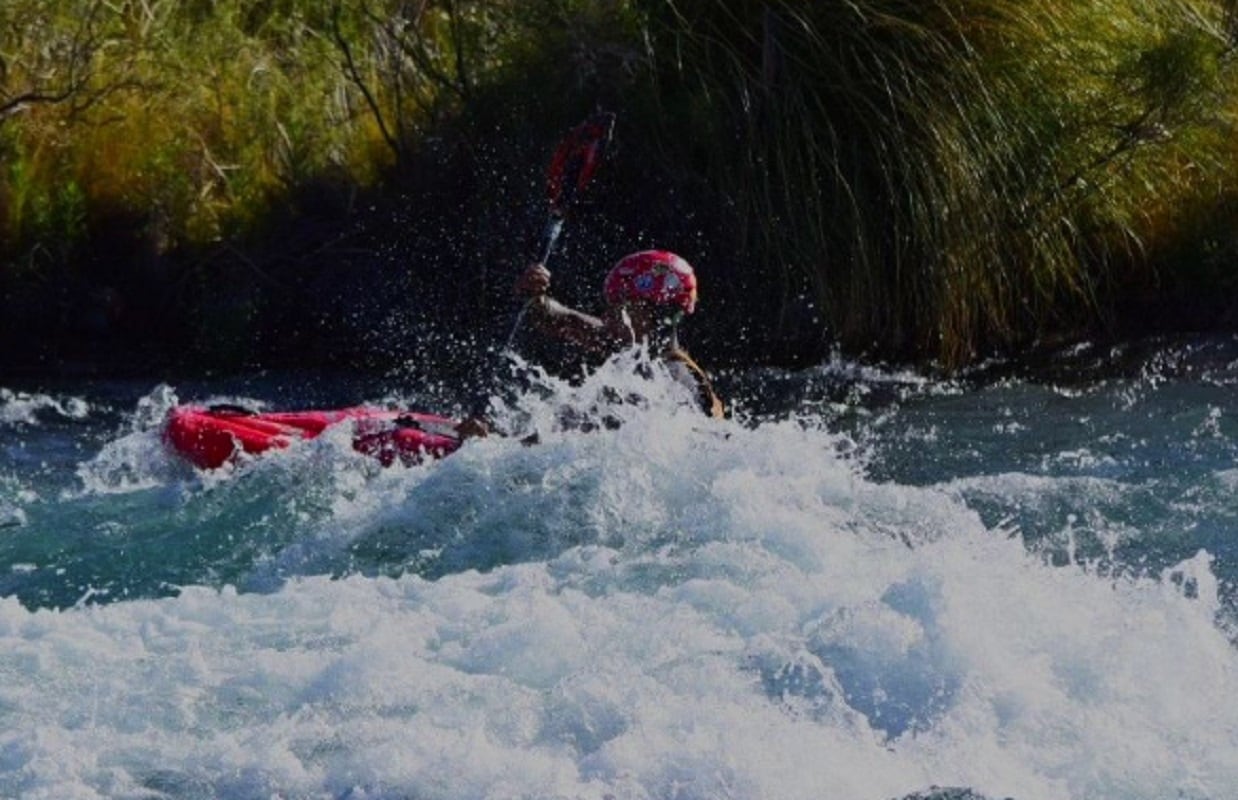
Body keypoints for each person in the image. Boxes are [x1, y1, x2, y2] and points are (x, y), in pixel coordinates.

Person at [456, 250, 725, 439]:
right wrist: (534, 297)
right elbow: (564, 321)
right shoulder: (638, 350)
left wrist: (491, 445)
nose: (607, 316)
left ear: (653, 313)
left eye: (620, 306)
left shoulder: (663, 383)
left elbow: (572, 449)